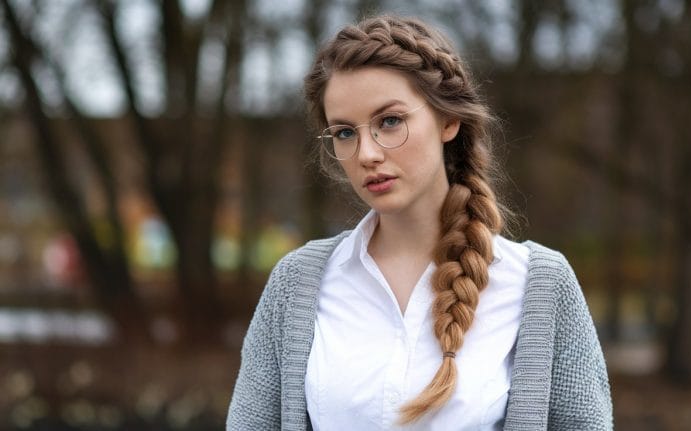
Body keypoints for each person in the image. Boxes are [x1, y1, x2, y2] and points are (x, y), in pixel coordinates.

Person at [227, 14, 612, 431]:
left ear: (448, 120)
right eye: (345, 132)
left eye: (390, 121)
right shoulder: (296, 285)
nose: (367, 153)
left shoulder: (539, 288)